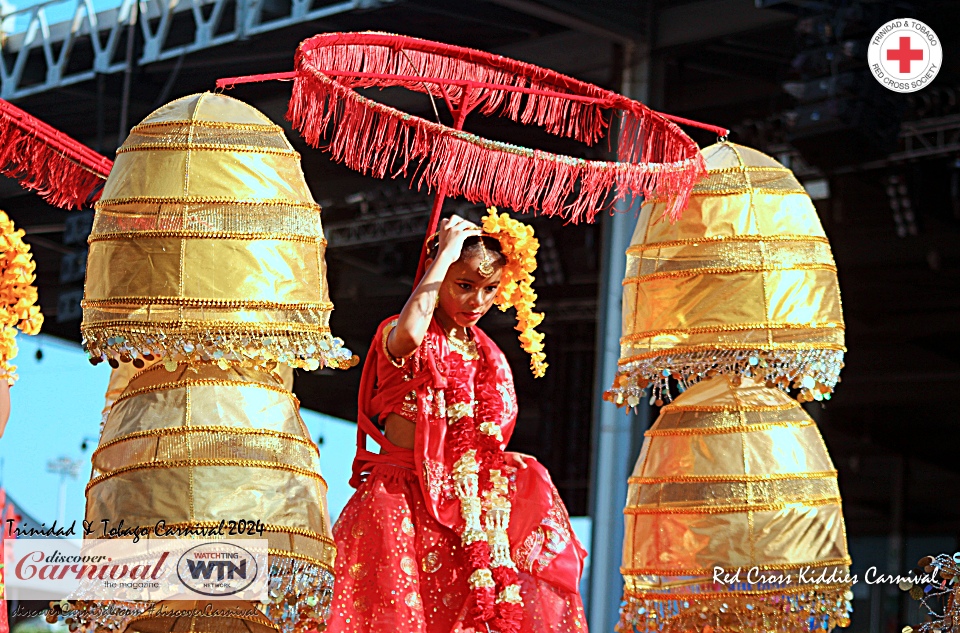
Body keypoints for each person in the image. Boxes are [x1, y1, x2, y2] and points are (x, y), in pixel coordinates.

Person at [329, 212, 587, 633]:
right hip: (400, 503)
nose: (477, 301)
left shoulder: (486, 355)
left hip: (461, 514)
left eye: (488, 290)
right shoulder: (401, 331)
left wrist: (501, 458)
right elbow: (412, 333)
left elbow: (477, 439)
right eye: (463, 285)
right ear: (437, 275)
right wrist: (445, 251)